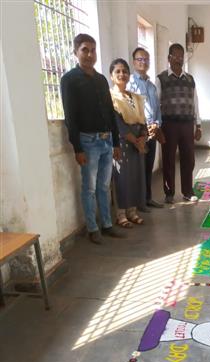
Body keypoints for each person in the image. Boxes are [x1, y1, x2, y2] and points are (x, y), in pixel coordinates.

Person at [60, 34, 124, 244]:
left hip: (106, 141)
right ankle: (92, 228)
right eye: (84, 50)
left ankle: (107, 224)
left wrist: (115, 142)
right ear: (75, 52)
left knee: (104, 187)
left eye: (92, 50)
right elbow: (70, 116)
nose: (89, 54)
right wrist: (77, 148)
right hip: (87, 142)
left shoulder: (101, 79)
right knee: (89, 187)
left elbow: (109, 112)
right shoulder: (69, 80)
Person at [155, 43, 202, 204]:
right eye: (175, 56)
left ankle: (188, 191)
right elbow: (156, 104)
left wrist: (199, 125)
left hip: (187, 125)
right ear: (169, 58)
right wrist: (157, 127)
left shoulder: (190, 79)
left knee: (189, 158)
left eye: (181, 56)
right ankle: (169, 193)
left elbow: (195, 102)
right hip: (169, 125)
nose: (179, 59)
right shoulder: (161, 78)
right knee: (168, 159)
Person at [110, 58, 148, 227]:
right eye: (117, 71)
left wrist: (143, 137)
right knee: (121, 178)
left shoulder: (135, 97)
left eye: (124, 71)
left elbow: (142, 120)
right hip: (122, 143)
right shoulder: (111, 97)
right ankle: (121, 215)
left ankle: (132, 212)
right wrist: (135, 141)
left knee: (135, 177)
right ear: (112, 76)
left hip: (137, 142)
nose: (121, 74)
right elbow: (118, 124)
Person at [128, 47, 164, 209]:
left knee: (148, 166)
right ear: (134, 62)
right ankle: (138, 202)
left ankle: (148, 198)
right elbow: (129, 110)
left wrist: (157, 124)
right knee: (138, 168)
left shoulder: (152, 86)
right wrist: (142, 128)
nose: (143, 62)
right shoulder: (129, 84)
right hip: (138, 132)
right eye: (140, 59)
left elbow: (157, 109)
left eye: (146, 59)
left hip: (152, 132)